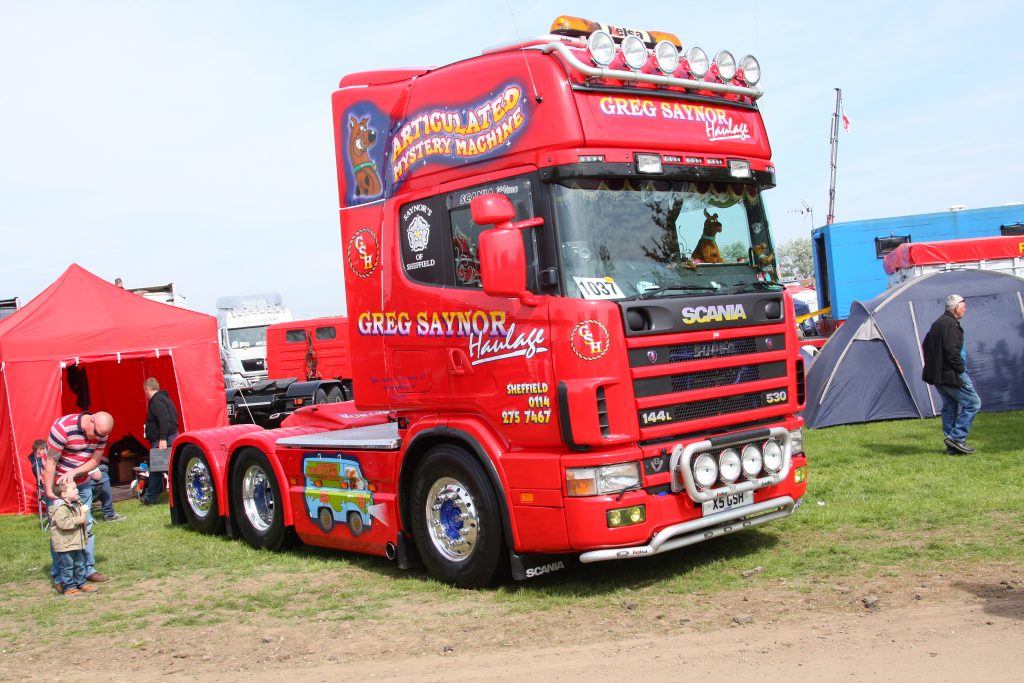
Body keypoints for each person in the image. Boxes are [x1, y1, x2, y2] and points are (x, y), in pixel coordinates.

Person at [42, 411, 113, 585]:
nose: (98, 438)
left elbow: (95, 462)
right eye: (96, 433)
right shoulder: (63, 428)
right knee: (60, 531)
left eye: (102, 436)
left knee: (85, 525)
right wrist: (50, 491)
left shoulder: (101, 433)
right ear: (91, 421)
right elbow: (51, 461)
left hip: (81, 484)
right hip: (60, 488)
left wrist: (75, 472)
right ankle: (61, 577)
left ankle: (87, 570)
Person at [922, 294, 981, 455]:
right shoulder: (951, 325)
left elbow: (925, 344)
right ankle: (957, 437)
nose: (965, 309)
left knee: (950, 406)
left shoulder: (938, 323)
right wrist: (960, 369)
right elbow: (951, 352)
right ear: (956, 308)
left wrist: (933, 365)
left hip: (937, 375)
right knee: (973, 403)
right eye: (964, 306)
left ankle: (952, 445)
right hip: (951, 374)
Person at [49, 480, 99, 596]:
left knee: (80, 564)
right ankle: (69, 587)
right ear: (63, 494)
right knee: (67, 567)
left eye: (76, 488)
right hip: (65, 545)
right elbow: (63, 524)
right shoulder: (60, 508)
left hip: (76, 542)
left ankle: (81, 583)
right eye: (73, 488)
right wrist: (80, 519)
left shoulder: (75, 504)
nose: (77, 490)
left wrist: (81, 510)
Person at [143, 378, 179, 505]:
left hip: (163, 440)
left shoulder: (156, 401)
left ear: (147, 389)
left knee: (156, 469)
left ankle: (150, 497)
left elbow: (164, 420)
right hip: (171, 437)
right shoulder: (166, 399)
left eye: (145, 390)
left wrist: (162, 438)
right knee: (169, 469)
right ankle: (177, 494)